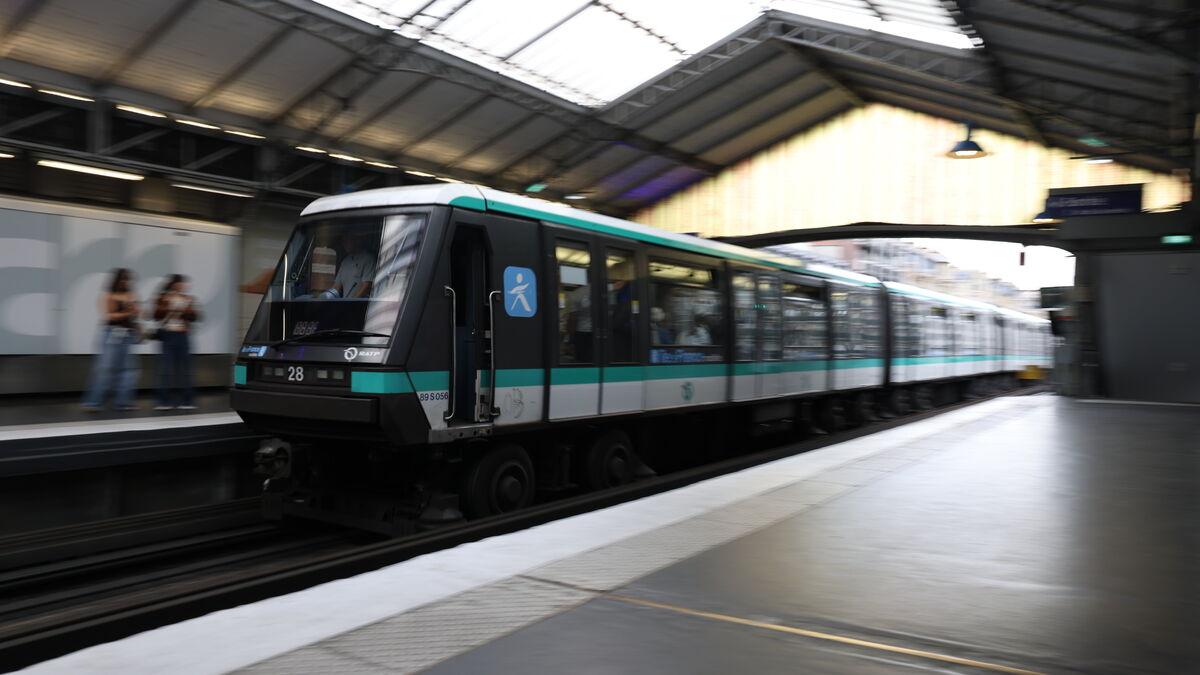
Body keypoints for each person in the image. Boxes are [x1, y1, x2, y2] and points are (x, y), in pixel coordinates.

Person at [82, 268, 141, 411]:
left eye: (127, 279)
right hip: (111, 333)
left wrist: (135, 310)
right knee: (105, 368)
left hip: (127, 333)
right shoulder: (108, 295)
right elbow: (109, 316)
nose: (125, 282)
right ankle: (92, 402)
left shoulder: (131, 294)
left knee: (128, 370)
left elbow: (136, 313)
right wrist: (130, 311)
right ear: (116, 280)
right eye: (123, 279)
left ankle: (123, 402)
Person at [152, 275, 202, 410]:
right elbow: (155, 316)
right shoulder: (163, 298)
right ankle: (163, 402)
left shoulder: (188, 299)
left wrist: (189, 309)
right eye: (181, 283)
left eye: (184, 284)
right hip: (168, 334)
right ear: (174, 284)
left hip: (183, 335)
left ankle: (188, 401)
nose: (183, 286)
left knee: (186, 369)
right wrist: (167, 307)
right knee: (165, 369)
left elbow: (195, 317)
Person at [329, 232, 375, 298]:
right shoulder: (345, 261)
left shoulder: (368, 259)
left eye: (348, 240)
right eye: (343, 241)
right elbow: (336, 287)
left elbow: (367, 287)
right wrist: (325, 298)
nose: (344, 244)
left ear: (357, 240)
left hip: (360, 306)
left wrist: (351, 302)